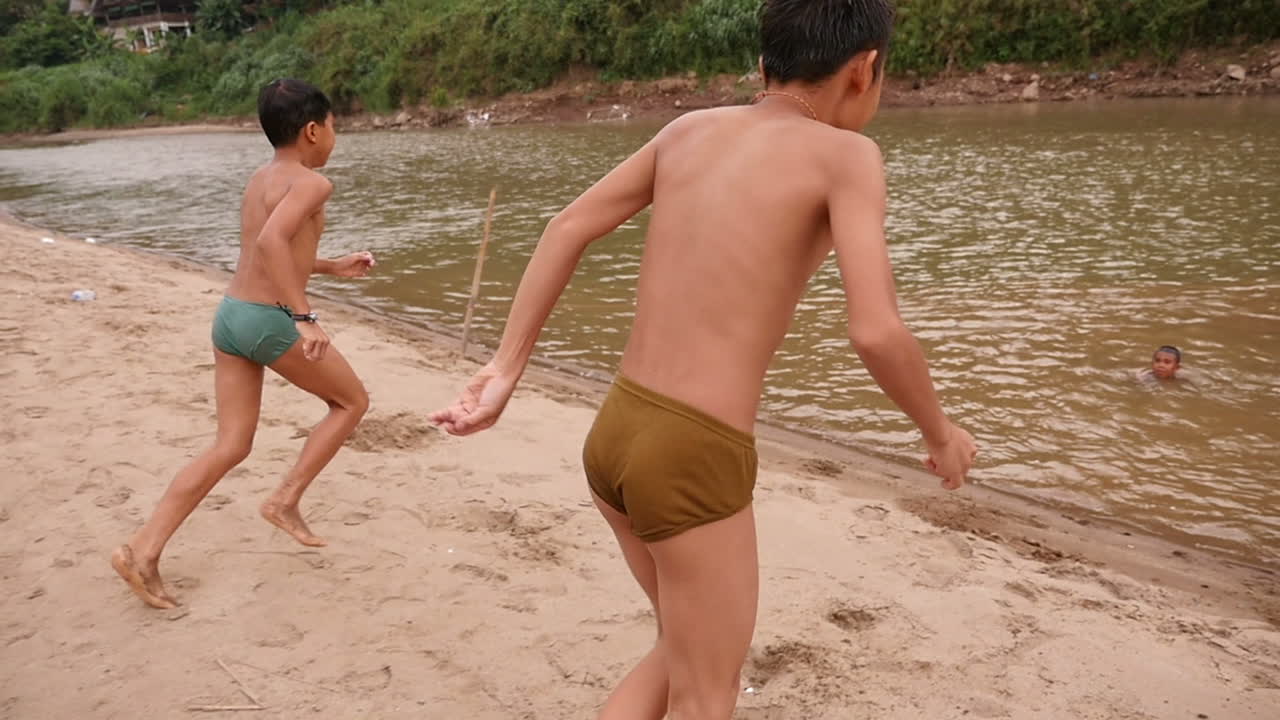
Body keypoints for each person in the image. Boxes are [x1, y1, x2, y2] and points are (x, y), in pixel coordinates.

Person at [431, 1, 977, 717]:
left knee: (679, 653)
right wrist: (941, 433)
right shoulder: (848, 156)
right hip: (692, 452)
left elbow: (566, 227)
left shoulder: (686, 130)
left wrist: (505, 371)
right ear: (865, 68)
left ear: (762, 66)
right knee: (705, 693)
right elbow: (876, 331)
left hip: (618, 434)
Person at [111, 78, 374, 609]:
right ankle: (285, 499)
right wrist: (304, 317)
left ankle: (142, 550)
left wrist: (329, 264)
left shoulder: (261, 178)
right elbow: (272, 242)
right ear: (312, 129)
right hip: (268, 319)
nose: (335, 136)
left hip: (232, 316)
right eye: (335, 126)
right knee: (351, 402)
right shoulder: (312, 185)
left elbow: (268, 250)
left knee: (230, 444)